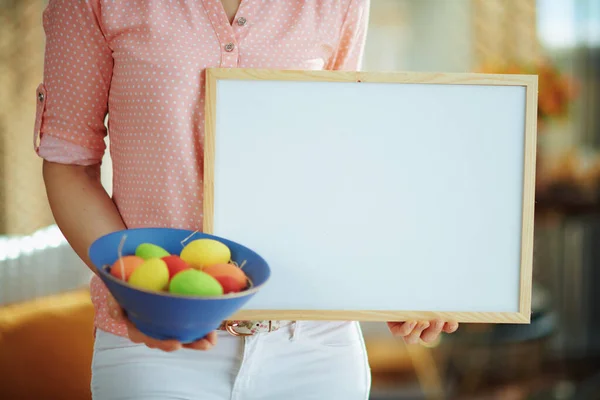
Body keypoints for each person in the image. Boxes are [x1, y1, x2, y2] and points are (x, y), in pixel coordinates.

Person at [36, 0, 458, 398]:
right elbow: (69, 163)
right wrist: (134, 288)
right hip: (157, 347)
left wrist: (394, 280)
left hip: (315, 347)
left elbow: (336, 165)